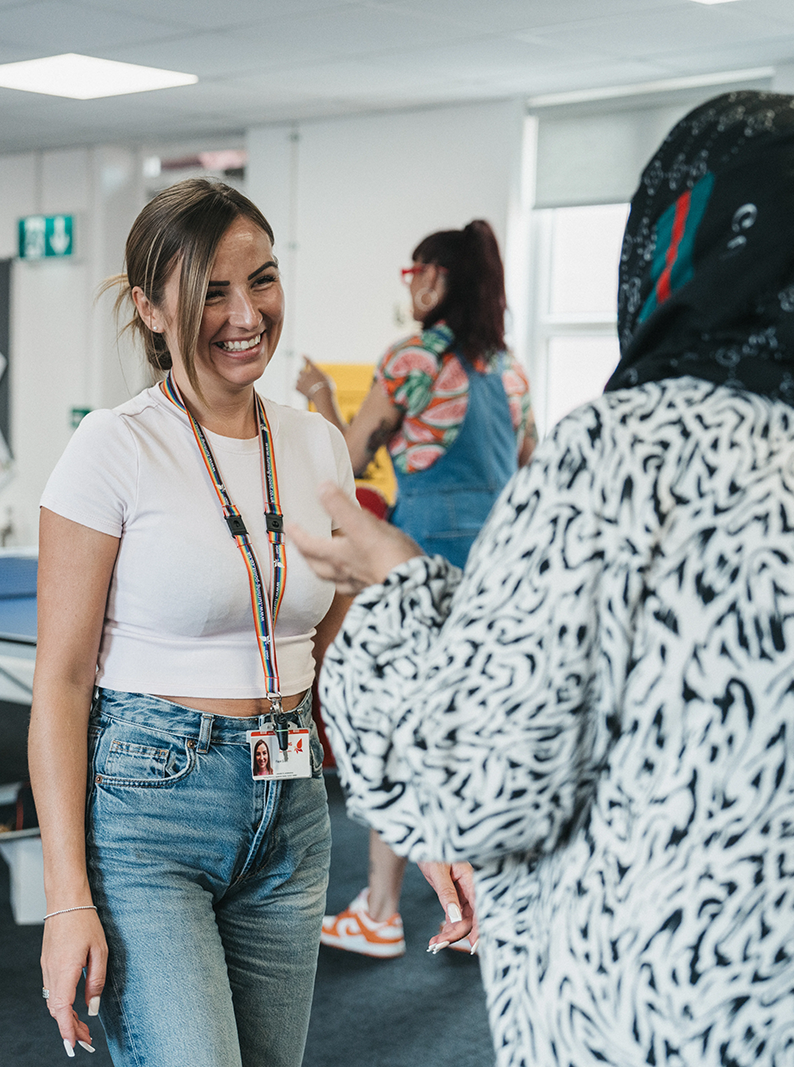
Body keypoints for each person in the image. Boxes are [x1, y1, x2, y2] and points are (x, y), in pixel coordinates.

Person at [292, 90, 794, 1066]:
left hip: (649, 1027)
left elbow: (458, 785)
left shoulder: (626, 454)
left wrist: (388, 585)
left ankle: (377, 905)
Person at [31, 178, 356, 1066]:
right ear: (151, 307)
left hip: (293, 801)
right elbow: (59, 683)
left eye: (263, 279)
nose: (246, 313)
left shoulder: (319, 443)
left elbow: (340, 617)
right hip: (152, 803)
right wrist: (67, 901)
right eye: (212, 289)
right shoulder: (114, 444)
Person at [297, 221, 536, 959]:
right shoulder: (509, 368)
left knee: (405, 732)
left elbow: (353, 458)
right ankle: (481, 907)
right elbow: (531, 465)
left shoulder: (411, 359)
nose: (408, 286)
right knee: (479, 740)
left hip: (420, 564)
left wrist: (318, 397)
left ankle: (380, 910)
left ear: (436, 279)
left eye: (415, 273)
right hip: (496, 572)